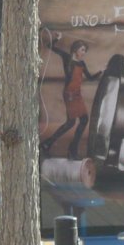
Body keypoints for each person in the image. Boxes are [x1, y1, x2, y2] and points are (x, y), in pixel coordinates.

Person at [42, 32, 103, 160]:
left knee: (77, 121)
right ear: (75, 50)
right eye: (82, 50)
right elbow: (49, 46)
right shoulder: (67, 58)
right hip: (69, 94)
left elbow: (90, 78)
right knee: (73, 122)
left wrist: (101, 72)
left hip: (77, 95)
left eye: (85, 51)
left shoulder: (82, 64)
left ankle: (50, 144)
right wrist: (57, 38)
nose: (84, 53)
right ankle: (65, 147)